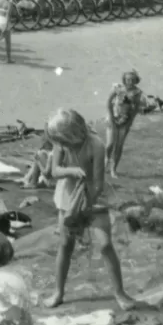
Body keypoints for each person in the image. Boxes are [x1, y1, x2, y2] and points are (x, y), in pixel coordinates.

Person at [44, 109, 134, 311]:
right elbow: (54, 171)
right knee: (66, 244)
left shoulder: (96, 145)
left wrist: (85, 208)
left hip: (94, 196)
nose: (61, 144)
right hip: (68, 197)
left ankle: (120, 292)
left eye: (64, 140)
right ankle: (58, 292)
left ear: (74, 134)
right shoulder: (61, 144)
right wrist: (71, 170)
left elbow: (99, 183)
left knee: (105, 244)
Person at [105, 71, 143, 177]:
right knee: (109, 144)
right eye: (127, 79)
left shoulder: (137, 92)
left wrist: (130, 122)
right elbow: (108, 102)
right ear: (124, 80)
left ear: (136, 81)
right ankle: (105, 161)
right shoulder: (117, 88)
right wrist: (111, 116)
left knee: (119, 145)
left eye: (132, 80)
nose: (130, 82)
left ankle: (113, 169)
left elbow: (135, 109)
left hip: (125, 120)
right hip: (112, 117)